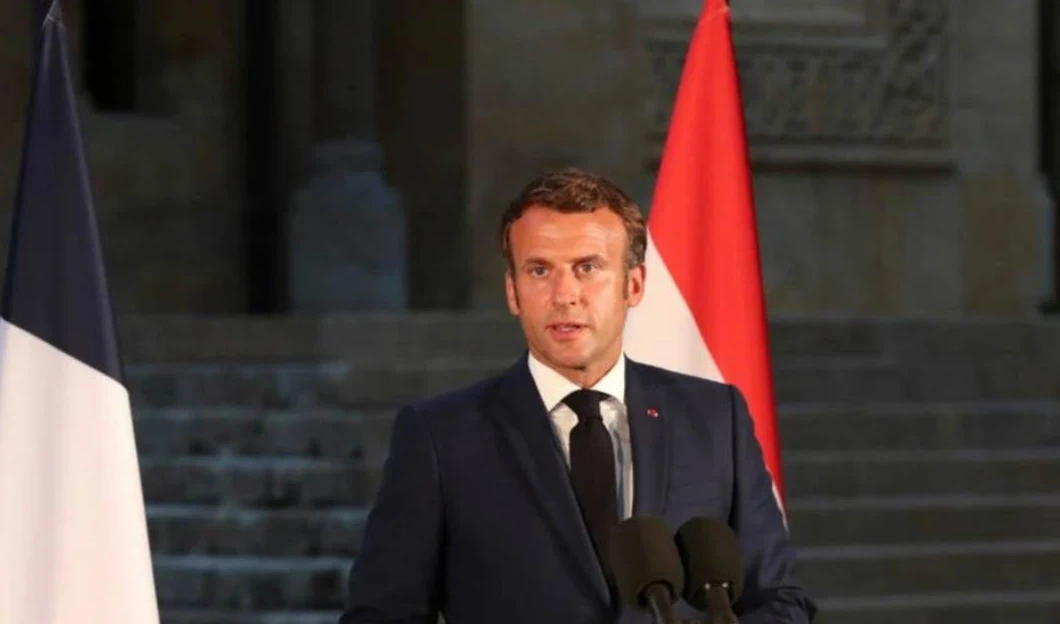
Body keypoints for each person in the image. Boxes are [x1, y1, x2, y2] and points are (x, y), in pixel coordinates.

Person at [340, 167, 816, 623]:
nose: (565, 294)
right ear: (512, 291)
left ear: (634, 284)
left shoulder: (715, 418)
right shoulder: (439, 438)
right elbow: (383, 614)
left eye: (587, 267)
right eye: (540, 271)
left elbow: (778, 599)